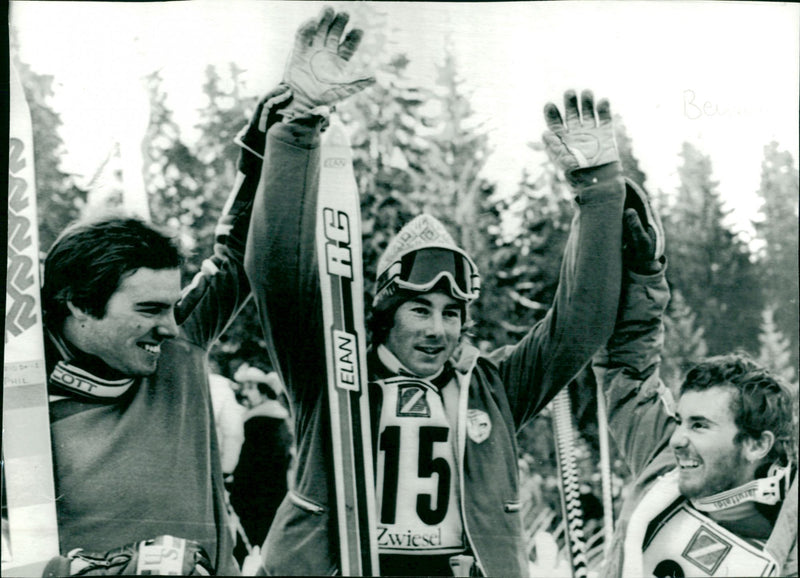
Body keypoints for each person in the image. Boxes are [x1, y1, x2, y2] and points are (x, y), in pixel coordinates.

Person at [243, 7, 659, 576]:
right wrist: (297, 125)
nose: (438, 329)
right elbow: (278, 277)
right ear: (387, 313)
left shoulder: (493, 389)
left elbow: (578, 327)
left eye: (451, 313)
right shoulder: (332, 374)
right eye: (420, 309)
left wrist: (598, 191)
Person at [39, 85, 293, 576]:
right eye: (149, 309)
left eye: (174, 306)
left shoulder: (177, 348)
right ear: (80, 304)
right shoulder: (24, 403)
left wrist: (272, 139)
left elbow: (237, 252)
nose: (171, 327)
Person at [591, 214, 798, 576]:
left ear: (755, 444)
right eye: (681, 421)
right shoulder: (664, 462)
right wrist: (641, 272)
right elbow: (627, 366)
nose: (677, 439)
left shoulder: (788, 530)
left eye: (700, 425)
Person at [229, 365, 293, 563]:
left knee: (245, 548)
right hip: (274, 495)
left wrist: (234, 485)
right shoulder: (279, 418)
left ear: (264, 392)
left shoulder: (259, 422)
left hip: (255, 497)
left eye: (250, 388)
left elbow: (248, 464)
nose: (244, 393)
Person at [209, 373, 246, 480]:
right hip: (207, 465)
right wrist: (226, 470)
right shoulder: (219, 386)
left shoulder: (218, 386)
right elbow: (233, 432)